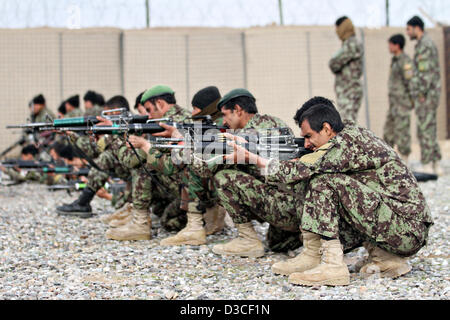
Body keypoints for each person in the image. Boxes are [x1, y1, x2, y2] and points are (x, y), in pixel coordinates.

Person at [224, 98, 432, 286]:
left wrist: (252, 158)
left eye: (309, 136)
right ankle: (385, 259)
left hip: (406, 230)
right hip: (402, 226)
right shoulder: (348, 135)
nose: (306, 143)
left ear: (326, 127)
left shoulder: (346, 142)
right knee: (326, 186)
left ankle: (332, 266)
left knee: (324, 182)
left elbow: (302, 170)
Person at [105, 85, 191, 241]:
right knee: (167, 222)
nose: (148, 116)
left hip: (187, 188)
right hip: (192, 187)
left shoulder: (166, 124)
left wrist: (113, 137)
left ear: (161, 103)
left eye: (149, 110)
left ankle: (140, 224)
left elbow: (131, 160)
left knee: (143, 164)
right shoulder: (184, 116)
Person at [406, 16, 443, 175]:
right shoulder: (424, 44)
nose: (407, 33)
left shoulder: (425, 46)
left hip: (426, 95)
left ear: (416, 28)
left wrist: (420, 93)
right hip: (428, 94)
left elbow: (425, 73)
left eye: (409, 29)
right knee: (430, 128)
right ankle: (435, 163)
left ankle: (428, 164)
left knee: (425, 129)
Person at [383, 34, 414, 163]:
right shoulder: (394, 60)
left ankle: (405, 159)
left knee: (403, 132)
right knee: (388, 131)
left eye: (390, 44)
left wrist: (409, 102)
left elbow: (411, 82)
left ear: (397, 45)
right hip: (394, 104)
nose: (389, 47)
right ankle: (388, 159)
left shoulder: (405, 61)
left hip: (402, 104)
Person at [329, 16, 363, 122]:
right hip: (347, 91)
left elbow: (334, 63)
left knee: (347, 123)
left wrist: (333, 62)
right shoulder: (348, 43)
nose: (336, 31)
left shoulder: (351, 43)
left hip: (350, 91)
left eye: (338, 28)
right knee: (346, 121)